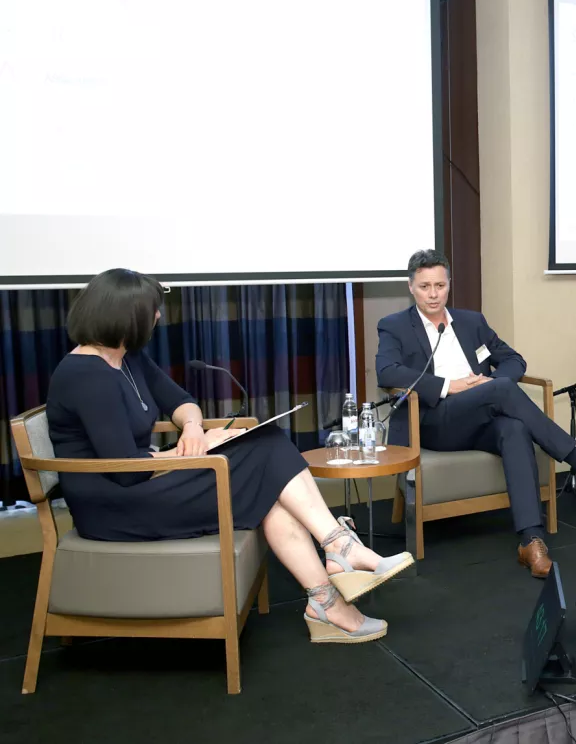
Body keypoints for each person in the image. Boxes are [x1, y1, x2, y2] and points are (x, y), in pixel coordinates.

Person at [45, 269, 411, 644]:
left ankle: (327, 597)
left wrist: (192, 429)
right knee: (266, 450)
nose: (158, 315)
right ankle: (338, 554)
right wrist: (196, 450)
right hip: (116, 505)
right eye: (152, 308)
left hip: (144, 479)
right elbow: (125, 470)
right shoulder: (84, 374)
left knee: (268, 470)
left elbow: (182, 402)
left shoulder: (127, 357)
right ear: (127, 313)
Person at [376, 250, 576, 578]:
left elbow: (514, 360)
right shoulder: (395, 326)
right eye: (425, 286)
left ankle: (531, 541)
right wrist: (449, 386)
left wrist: (490, 383)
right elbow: (387, 372)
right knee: (501, 392)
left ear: (449, 285)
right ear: (411, 287)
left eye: (440, 286)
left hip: (480, 415)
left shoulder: (471, 321)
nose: (433, 294)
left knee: (514, 428)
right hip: (433, 420)